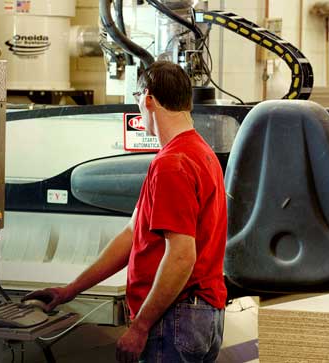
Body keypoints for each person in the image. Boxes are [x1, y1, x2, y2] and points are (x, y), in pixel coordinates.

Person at [24, 60, 227, 363]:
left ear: (147, 99)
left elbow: (182, 255)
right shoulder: (200, 153)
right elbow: (133, 234)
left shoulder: (172, 164)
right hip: (198, 314)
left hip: (176, 318)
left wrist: (140, 326)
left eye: (136, 100)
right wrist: (70, 290)